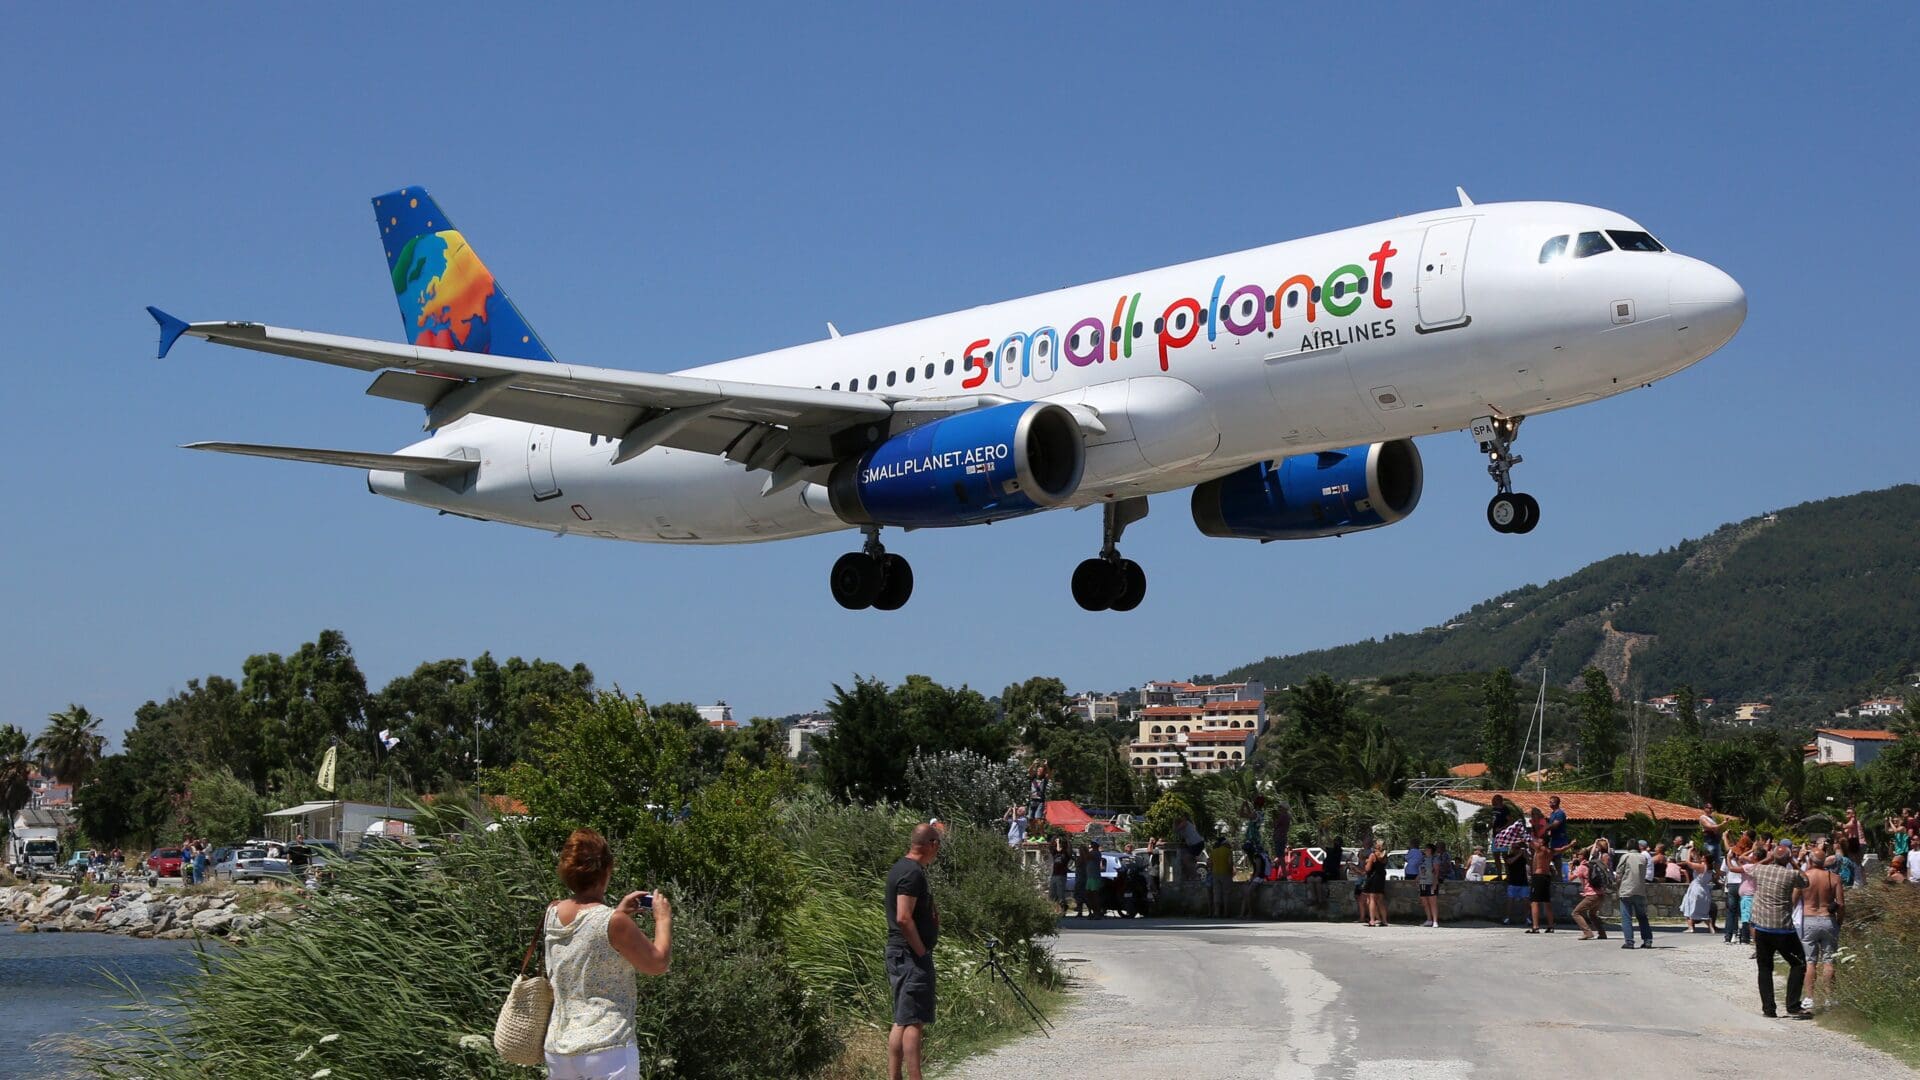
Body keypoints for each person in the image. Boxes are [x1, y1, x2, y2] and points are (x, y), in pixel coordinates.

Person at [542, 827, 671, 1079]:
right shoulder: (613, 921)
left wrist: (618, 912)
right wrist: (663, 919)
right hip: (606, 1045)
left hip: (559, 1049)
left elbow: (588, 928)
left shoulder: (552, 911)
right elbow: (657, 964)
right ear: (607, 870)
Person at [887, 824, 942, 1080]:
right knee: (913, 1021)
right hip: (910, 955)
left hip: (901, 953)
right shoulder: (912, 873)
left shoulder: (902, 868)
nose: (938, 851)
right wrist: (921, 951)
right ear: (931, 844)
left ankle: (894, 1076)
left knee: (902, 1018)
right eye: (938, 845)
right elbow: (903, 917)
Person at [1747, 845, 1810, 1019]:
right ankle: (1792, 1005)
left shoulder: (1761, 870)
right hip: (1782, 929)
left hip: (1761, 927)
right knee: (1798, 963)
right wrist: (1794, 862)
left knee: (1765, 968)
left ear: (1772, 858)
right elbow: (1806, 881)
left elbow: (1752, 867)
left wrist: (1769, 857)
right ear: (1788, 859)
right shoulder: (1791, 874)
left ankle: (1769, 1008)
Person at [1800, 855, 1844, 1009]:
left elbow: (1794, 900)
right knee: (1828, 960)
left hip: (1809, 918)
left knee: (1810, 961)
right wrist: (1839, 922)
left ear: (1810, 861)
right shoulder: (1834, 878)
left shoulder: (1804, 876)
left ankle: (1809, 998)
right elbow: (1840, 904)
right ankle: (1829, 998)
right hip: (1827, 919)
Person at [1615, 841, 1654, 949]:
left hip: (1626, 889)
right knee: (1642, 916)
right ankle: (1647, 940)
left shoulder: (1625, 857)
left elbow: (1619, 875)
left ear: (1628, 846)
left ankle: (1629, 942)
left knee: (1626, 917)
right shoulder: (1643, 858)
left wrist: (1618, 888)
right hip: (1640, 890)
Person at [1679, 847, 1714, 932]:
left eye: (1703, 856)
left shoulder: (1701, 866)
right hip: (1704, 889)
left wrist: (1689, 851)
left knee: (1688, 906)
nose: (1701, 857)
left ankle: (1691, 927)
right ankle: (1710, 927)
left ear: (1705, 859)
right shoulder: (1709, 868)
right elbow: (1698, 860)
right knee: (1702, 910)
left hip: (1696, 888)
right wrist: (1695, 853)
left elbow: (1688, 862)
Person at [1527, 834, 1556, 933]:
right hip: (1547, 877)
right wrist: (1570, 845)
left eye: (1539, 839)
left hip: (1538, 876)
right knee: (1547, 902)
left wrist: (1523, 835)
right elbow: (1563, 848)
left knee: (1534, 902)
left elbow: (1530, 842)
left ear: (1543, 841)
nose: (1538, 841)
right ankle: (1551, 926)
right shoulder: (1551, 851)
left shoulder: (1540, 849)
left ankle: (1535, 926)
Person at [1361, 840, 1388, 926]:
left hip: (1373, 878)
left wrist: (1367, 862)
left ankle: (1372, 920)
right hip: (1381, 878)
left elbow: (1367, 869)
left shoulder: (1373, 855)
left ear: (1377, 846)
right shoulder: (1384, 856)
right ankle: (1384, 920)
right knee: (1380, 900)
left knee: (1372, 899)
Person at [1207, 835, 1234, 917]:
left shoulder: (1213, 851)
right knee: (1226, 893)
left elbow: (1210, 864)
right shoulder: (1228, 851)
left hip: (1215, 874)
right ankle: (1226, 913)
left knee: (1216, 893)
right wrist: (1231, 872)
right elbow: (1230, 863)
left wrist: (1212, 871)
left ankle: (1216, 912)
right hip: (1226, 874)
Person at [1488, 795, 1513, 881]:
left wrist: (1502, 828)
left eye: (1494, 799)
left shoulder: (1504, 809)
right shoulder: (1493, 810)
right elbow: (1492, 821)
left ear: (1499, 800)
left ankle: (1508, 875)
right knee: (1496, 855)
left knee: (1504, 856)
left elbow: (1510, 821)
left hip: (1503, 835)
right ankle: (1499, 875)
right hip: (1495, 836)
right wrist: (1487, 829)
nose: (1492, 801)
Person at [1075, 841, 1102, 918]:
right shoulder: (1092, 852)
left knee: (1094, 895)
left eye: (1092, 844)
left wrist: (1083, 849)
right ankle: (1094, 912)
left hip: (1094, 877)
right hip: (1090, 877)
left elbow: (1087, 856)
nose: (1091, 845)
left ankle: (1097, 912)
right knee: (1089, 895)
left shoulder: (1096, 853)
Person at [1417, 843, 1441, 927]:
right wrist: (1418, 878)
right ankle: (1429, 919)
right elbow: (1421, 870)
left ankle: (1435, 921)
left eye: (1427, 849)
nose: (1425, 850)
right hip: (1423, 882)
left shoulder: (1435, 859)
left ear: (1431, 850)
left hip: (1431, 882)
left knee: (1432, 902)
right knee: (1425, 902)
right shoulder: (1423, 859)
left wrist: (1434, 883)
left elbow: (1436, 871)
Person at [1046, 835, 1070, 914]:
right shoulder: (1055, 852)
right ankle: (1055, 910)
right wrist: (1055, 842)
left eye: (1059, 843)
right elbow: (1052, 849)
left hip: (1061, 875)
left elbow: (1060, 850)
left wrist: (1059, 842)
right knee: (1052, 895)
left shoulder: (1066, 853)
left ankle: (1063, 910)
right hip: (1054, 875)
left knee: (1060, 895)